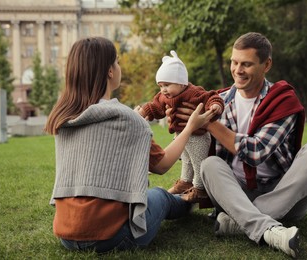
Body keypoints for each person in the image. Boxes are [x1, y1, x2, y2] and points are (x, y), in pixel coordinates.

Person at [44, 37, 215, 253]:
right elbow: (162, 165)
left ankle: (185, 196)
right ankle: (190, 200)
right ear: (109, 71)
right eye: (117, 62)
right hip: (114, 237)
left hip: (66, 235)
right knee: (161, 195)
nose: (119, 66)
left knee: (153, 196)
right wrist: (190, 127)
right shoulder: (126, 118)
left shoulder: (64, 118)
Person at [171, 32, 307, 258]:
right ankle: (269, 229)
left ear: (267, 64)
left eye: (246, 64)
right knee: (209, 164)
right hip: (234, 193)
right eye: (234, 62)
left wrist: (209, 124)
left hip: (282, 194)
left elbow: (256, 152)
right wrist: (181, 123)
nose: (237, 70)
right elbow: (190, 149)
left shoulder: (282, 99)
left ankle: (240, 222)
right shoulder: (218, 101)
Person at [136, 50, 224, 205]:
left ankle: (200, 188)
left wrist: (215, 105)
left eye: (167, 85)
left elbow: (212, 96)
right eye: (161, 86)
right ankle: (185, 181)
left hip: (198, 135)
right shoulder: (163, 96)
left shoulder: (194, 93)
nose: (163, 90)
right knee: (187, 160)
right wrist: (145, 111)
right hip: (181, 135)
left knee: (198, 161)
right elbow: (155, 107)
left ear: (182, 82)